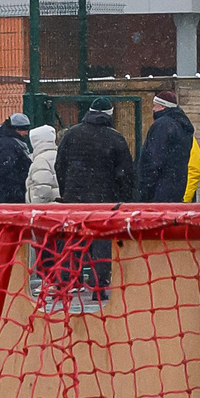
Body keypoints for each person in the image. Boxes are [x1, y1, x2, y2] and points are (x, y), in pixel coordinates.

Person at [53, 99, 135, 298]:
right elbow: (125, 173)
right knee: (101, 242)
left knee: (72, 238)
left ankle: (67, 281)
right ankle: (99, 286)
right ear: (110, 113)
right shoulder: (115, 138)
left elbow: (60, 166)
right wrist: (122, 197)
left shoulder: (72, 134)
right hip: (104, 199)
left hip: (75, 197)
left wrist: (67, 190)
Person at [135, 88, 200, 203]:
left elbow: (154, 160)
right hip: (177, 187)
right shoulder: (183, 127)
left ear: (163, 107)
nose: (153, 109)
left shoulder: (162, 125)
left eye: (154, 106)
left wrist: (145, 188)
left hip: (159, 190)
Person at [0, 113, 32, 203]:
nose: (26, 133)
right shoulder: (9, 144)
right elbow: (8, 170)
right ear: (15, 129)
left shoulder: (6, 142)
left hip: (8, 192)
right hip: (12, 193)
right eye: (23, 129)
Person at [25, 121, 60, 203]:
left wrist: (37, 205)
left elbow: (42, 188)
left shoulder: (41, 160)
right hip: (56, 203)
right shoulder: (57, 155)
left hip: (45, 208)